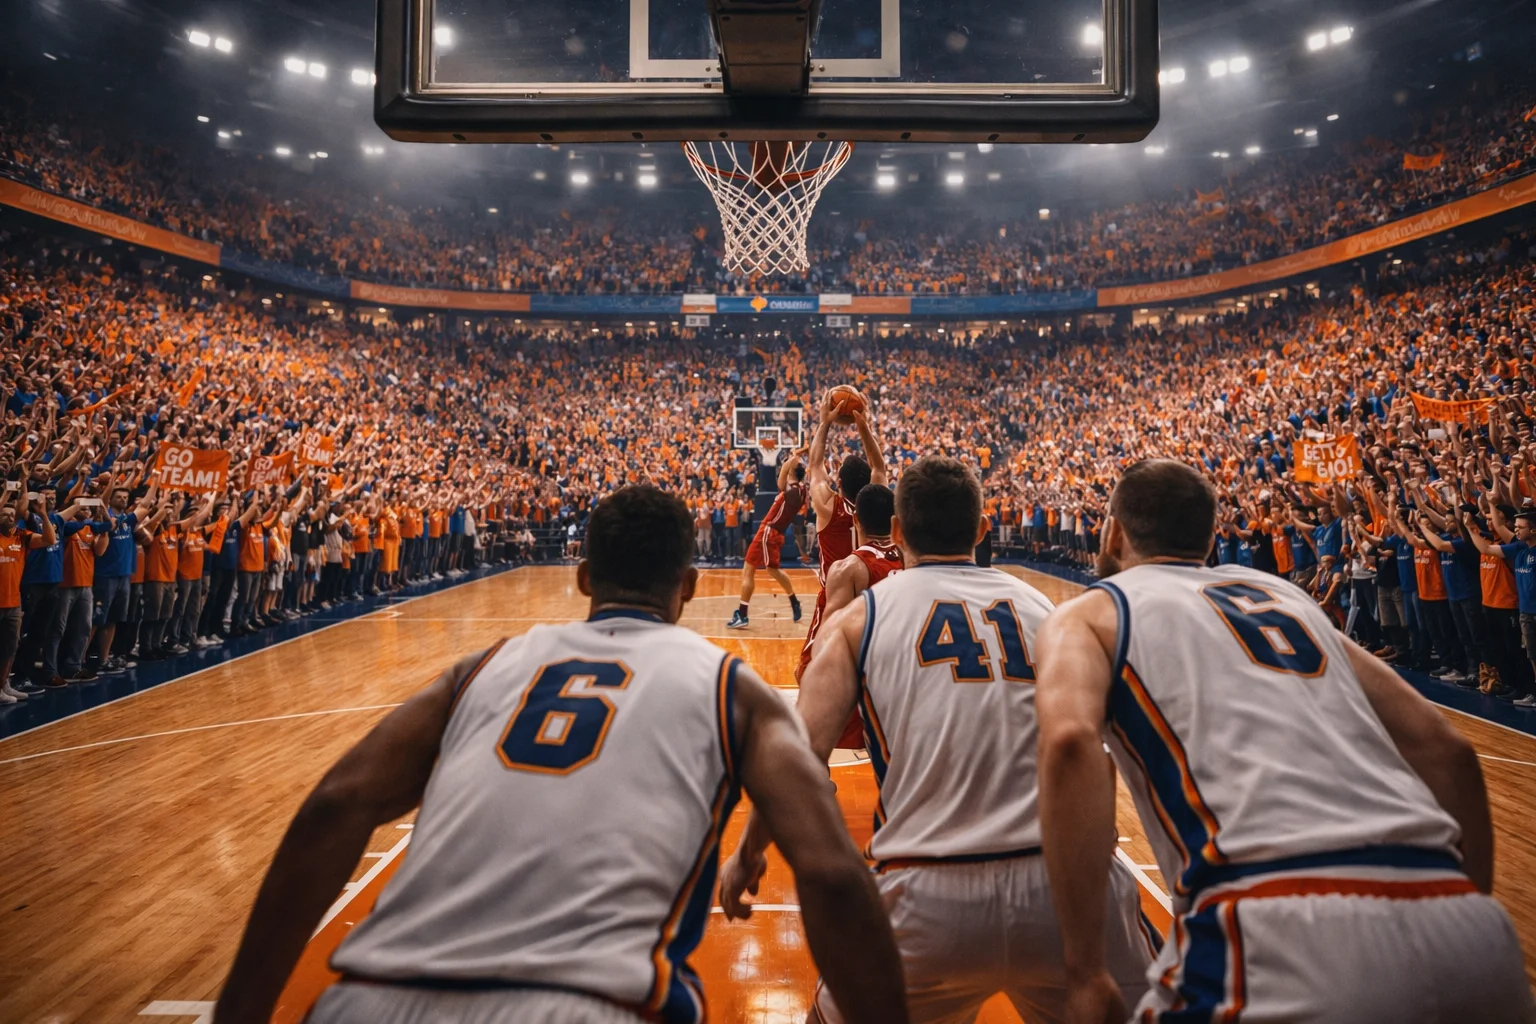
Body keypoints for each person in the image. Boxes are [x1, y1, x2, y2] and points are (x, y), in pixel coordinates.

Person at [215, 484, 907, 1024]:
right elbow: (831, 874)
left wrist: (238, 1013)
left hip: (374, 996)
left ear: (583, 579)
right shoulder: (731, 688)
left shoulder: (483, 669)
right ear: (689, 585)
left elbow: (336, 803)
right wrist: (750, 856)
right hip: (590, 1000)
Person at [1034, 459, 1534, 1023]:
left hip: (1276, 923)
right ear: (1208, 535)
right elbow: (1450, 752)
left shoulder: (1091, 612)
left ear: (1113, 532)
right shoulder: (1282, 597)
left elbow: (1070, 743)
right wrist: (1459, 909)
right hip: (1464, 924)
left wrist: (1085, 971)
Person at [720, 456, 1153, 1023]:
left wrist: (748, 853)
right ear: (982, 529)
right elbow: (1094, 750)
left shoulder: (858, 618)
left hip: (927, 885)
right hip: (1065, 884)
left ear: (898, 531)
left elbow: (798, 757)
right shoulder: (1049, 611)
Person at [797, 386, 888, 680]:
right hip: (872, 596)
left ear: (838, 482)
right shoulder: (877, 500)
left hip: (835, 595)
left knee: (809, 671)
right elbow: (879, 465)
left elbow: (814, 464)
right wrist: (864, 427)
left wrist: (824, 421)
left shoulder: (828, 506)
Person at [727, 448, 806, 629]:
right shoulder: (802, 491)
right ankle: (794, 602)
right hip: (776, 534)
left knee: (748, 569)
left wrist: (793, 457)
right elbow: (788, 472)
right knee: (773, 570)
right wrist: (796, 457)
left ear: (792, 472)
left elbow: (782, 474)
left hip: (768, 531)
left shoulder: (790, 490)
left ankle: (742, 615)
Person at [0, 479, 56, 702]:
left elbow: (49, 539)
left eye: (12, 514)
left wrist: (43, 515)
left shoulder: (20, 535)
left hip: (13, 603)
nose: (9, 517)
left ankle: (3, 685)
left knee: (10, 648)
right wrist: (6, 494)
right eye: (4, 513)